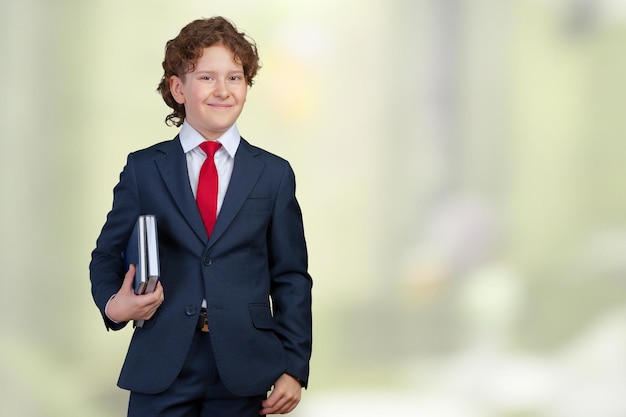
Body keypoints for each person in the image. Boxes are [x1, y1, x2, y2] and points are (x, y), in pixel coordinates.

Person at [89, 16, 312, 417]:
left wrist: (294, 367)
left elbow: (291, 277)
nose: (223, 90)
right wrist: (113, 305)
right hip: (162, 363)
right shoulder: (144, 169)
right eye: (207, 78)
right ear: (178, 88)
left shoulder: (274, 174)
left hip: (245, 366)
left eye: (235, 77)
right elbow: (105, 255)